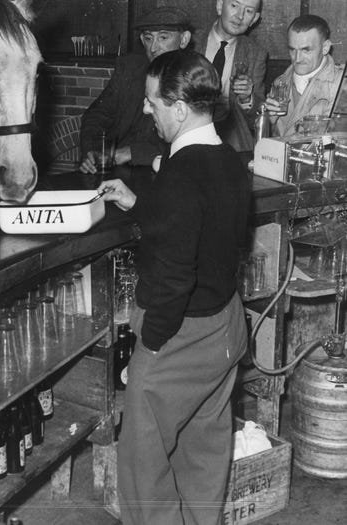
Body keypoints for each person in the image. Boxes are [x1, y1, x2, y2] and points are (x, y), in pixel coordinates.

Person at [97, 50, 250, 524]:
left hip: (180, 335)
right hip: (225, 326)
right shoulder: (229, 160)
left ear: (179, 108)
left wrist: (151, 345)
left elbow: (174, 275)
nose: (146, 111)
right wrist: (142, 203)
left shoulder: (179, 176)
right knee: (203, 450)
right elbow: (200, 223)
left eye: (151, 103)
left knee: (143, 464)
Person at [79, 7, 192, 172]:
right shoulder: (129, 68)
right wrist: (93, 151)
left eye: (163, 37)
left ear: (184, 39)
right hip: (113, 167)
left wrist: (131, 153)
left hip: (161, 169)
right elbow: (96, 116)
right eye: (148, 38)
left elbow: (191, 141)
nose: (154, 48)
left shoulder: (194, 75)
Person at [195, 0, 267, 151]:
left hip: (229, 138)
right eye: (234, 6)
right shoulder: (191, 41)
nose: (239, 16)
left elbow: (259, 116)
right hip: (188, 131)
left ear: (254, 19)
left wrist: (247, 98)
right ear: (220, 6)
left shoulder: (255, 53)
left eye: (248, 11)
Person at [265, 14, 345, 137]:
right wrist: (269, 122)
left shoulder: (341, 84)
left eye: (306, 50)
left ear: (325, 48)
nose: (297, 58)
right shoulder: (279, 83)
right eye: (292, 50)